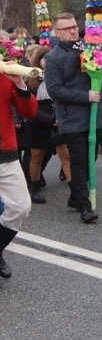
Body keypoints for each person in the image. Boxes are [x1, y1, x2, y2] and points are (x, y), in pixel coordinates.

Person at [44, 12, 102, 223]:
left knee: (90, 158)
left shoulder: (88, 47)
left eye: (75, 26)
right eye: (67, 28)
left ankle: (75, 197)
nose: (73, 31)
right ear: (57, 33)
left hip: (95, 114)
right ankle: (85, 206)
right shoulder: (52, 57)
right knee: (80, 160)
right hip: (72, 118)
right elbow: (54, 89)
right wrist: (84, 97)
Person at [0, 64, 38, 278]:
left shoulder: (4, 73)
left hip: (5, 153)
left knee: (20, 208)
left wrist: (20, 84)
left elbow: (29, 111)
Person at [21, 45, 68, 205]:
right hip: (38, 123)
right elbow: (28, 107)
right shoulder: (30, 81)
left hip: (58, 121)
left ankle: (76, 193)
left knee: (66, 155)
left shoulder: (60, 78)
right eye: (44, 59)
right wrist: (49, 119)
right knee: (37, 156)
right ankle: (34, 187)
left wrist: (58, 118)